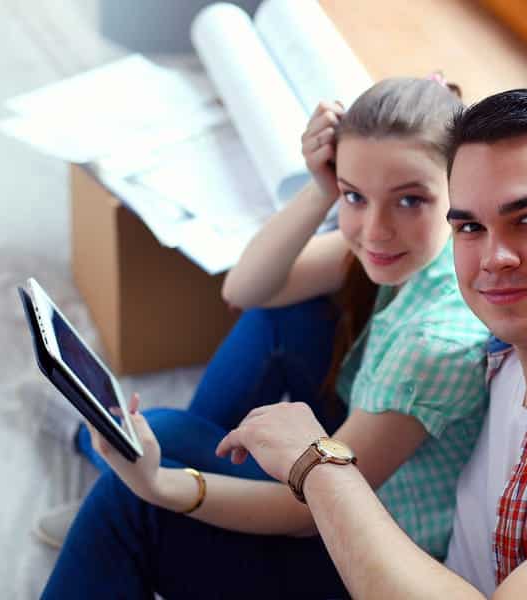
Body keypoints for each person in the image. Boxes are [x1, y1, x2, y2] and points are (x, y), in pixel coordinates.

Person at [216, 88, 527, 599]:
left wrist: (318, 464)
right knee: (166, 446)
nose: (495, 258)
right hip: (412, 550)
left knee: (138, 509)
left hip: (413, 570)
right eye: (469, 225)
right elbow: (248, 288)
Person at [40, 76, 491, 598]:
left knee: (140, 483)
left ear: (460, 189)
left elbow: (305, 512)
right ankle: (124, 473)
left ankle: (112, 476)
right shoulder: (427, 247)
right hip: (348, 475)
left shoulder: (433, 340)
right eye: (354, 195)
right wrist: (321, 189)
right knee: (283, 318)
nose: (375, 230)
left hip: (363, 554)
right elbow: (248, 288)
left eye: (410, 200)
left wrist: (161, 488)